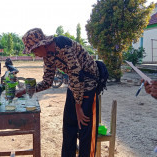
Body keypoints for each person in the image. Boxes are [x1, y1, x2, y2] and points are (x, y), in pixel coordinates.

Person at [16, 28, 100, 157]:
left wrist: (78, 106)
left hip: (89, 84)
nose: (35, 54)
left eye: (34, 50)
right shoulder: (47, 55)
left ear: (42, 44)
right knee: (69, 128)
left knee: (85, 130)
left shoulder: (63, 45)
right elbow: (47, 81)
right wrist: (26, 91)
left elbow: (77, 74)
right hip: (74, 86)